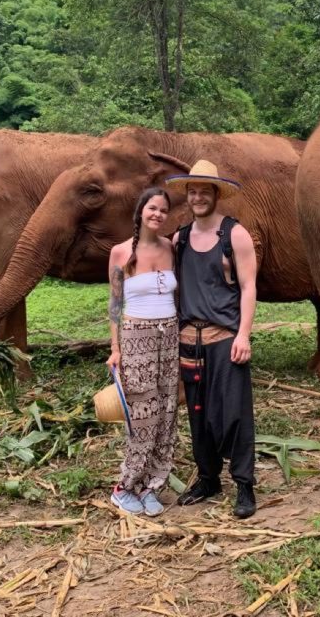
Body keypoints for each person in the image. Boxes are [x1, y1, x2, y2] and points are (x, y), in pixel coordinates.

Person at [166, 160, 259, 519]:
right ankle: (208, 478)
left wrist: (244, 334)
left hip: (225, 338)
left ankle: (244, 484)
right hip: (190, 339)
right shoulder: (181, 238)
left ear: (216, 194)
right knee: (198, 413)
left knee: (234, 414)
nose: (198, 197)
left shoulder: (234, 235)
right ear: (187, 196)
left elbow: (249, 286)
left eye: (205, 190)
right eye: (193, 191)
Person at [105, 187, 180, 517]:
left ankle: (152, 486)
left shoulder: (171, 248)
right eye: (153, 208)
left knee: (166, 413)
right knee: (141, 415)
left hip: (170, 335)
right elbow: (114, 304)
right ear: (140, 211)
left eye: (164, 210)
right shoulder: (121, 252)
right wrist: (115, 348)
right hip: (137, 337)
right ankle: (125, 486)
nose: (158, 215)